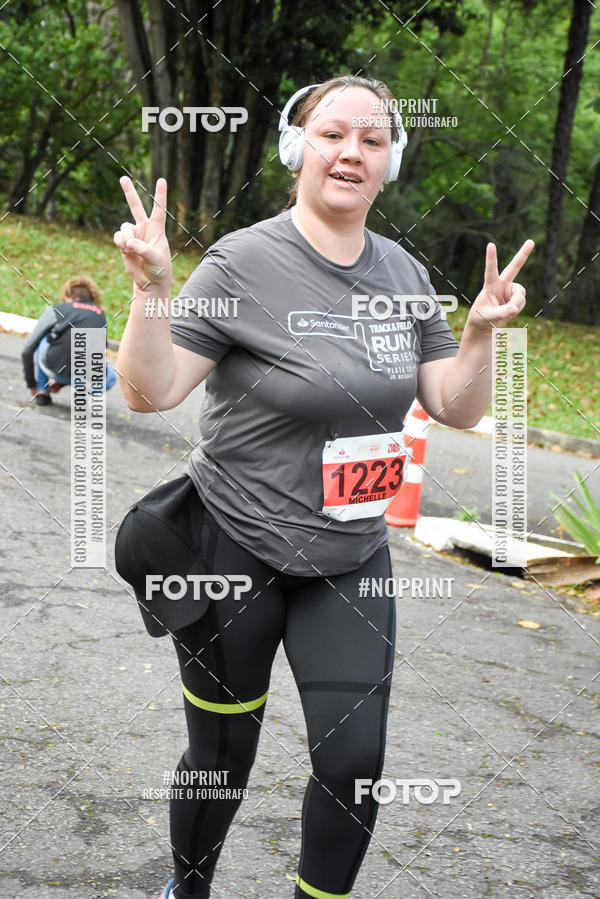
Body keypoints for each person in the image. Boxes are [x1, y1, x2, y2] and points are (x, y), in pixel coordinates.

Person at [113, 74, 534, 899]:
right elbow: (148, 391)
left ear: (390, 163)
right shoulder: (243, 259)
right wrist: (151, 291)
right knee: (222, 757)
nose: (351, 151)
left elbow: (452, 403)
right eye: (333, 133)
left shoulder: (407, 275)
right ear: (296, 147)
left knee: (354, 761)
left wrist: (480, 337)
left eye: (372, 140)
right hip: (234, 544)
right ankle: (187, 888)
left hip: (349, 553)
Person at [21, 275, 117, 405]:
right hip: (84, 377)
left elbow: (27, 350)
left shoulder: (57, 309)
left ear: (67, 297)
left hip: (54, 369)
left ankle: (42, 391)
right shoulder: (99, 314)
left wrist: (31, 384)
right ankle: (89, 398)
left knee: (44, 337)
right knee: (111, 376)